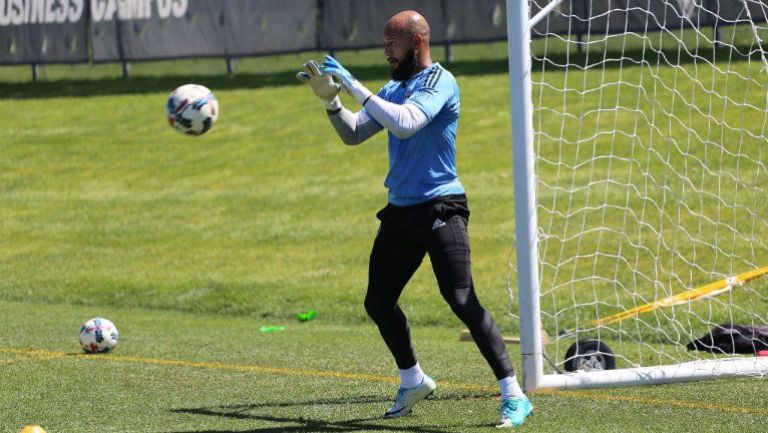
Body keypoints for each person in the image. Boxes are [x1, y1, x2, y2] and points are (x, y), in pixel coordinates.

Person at [296, 10, 532, 429]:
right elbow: (354, 134)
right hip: (402, 211)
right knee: (378, 302)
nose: (386, 50)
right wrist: (331, 101)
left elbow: (406, 124)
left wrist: (351, 85)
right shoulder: (393, 86)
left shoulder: (440, 81)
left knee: (461, 299)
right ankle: (413, 380)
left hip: (442, 206)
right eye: (385, 42)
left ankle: (513, 394)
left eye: (393, 42)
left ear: (417, 42)